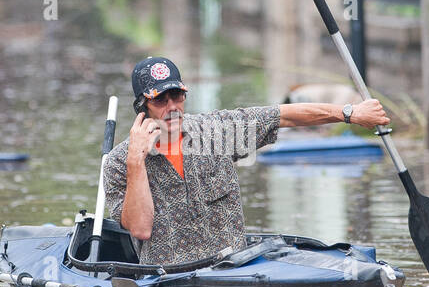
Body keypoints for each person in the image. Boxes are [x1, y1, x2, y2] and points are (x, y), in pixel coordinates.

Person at [102, 56, 389, 266]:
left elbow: (282, 115)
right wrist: (136, 163)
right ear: (142, 107)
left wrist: (350, 113)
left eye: (177, 96)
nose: (172, 107)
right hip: (169, 280)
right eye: (160, 100)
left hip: (233, 271)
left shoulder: (217, 131)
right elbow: (140, 229)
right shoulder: (118, 164)